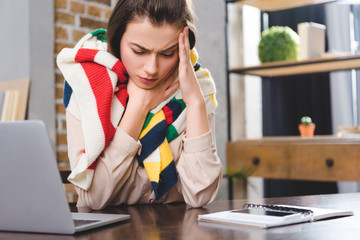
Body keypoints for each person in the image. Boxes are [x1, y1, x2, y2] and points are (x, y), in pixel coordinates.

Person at [57, 0, 222, 210]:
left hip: (174, 229)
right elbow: (94, 198)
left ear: (184, 47)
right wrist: (139, 106)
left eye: (167, 53)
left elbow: (200, 195)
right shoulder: (87, 83)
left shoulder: (197, 87)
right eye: (139, 51)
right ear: (117, 41)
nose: (152, 69)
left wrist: (196, 102)